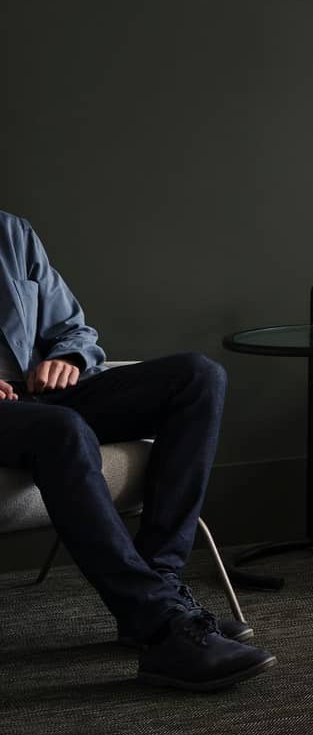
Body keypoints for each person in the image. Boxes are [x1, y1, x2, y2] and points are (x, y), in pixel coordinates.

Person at [0, 211, 276, 690]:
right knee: (61, 429)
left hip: (38, 395)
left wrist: (67, 357)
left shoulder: (10, 232)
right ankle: (162, 626)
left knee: (197, 377)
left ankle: (160, 587)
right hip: (25, 417)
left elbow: (72, 327)